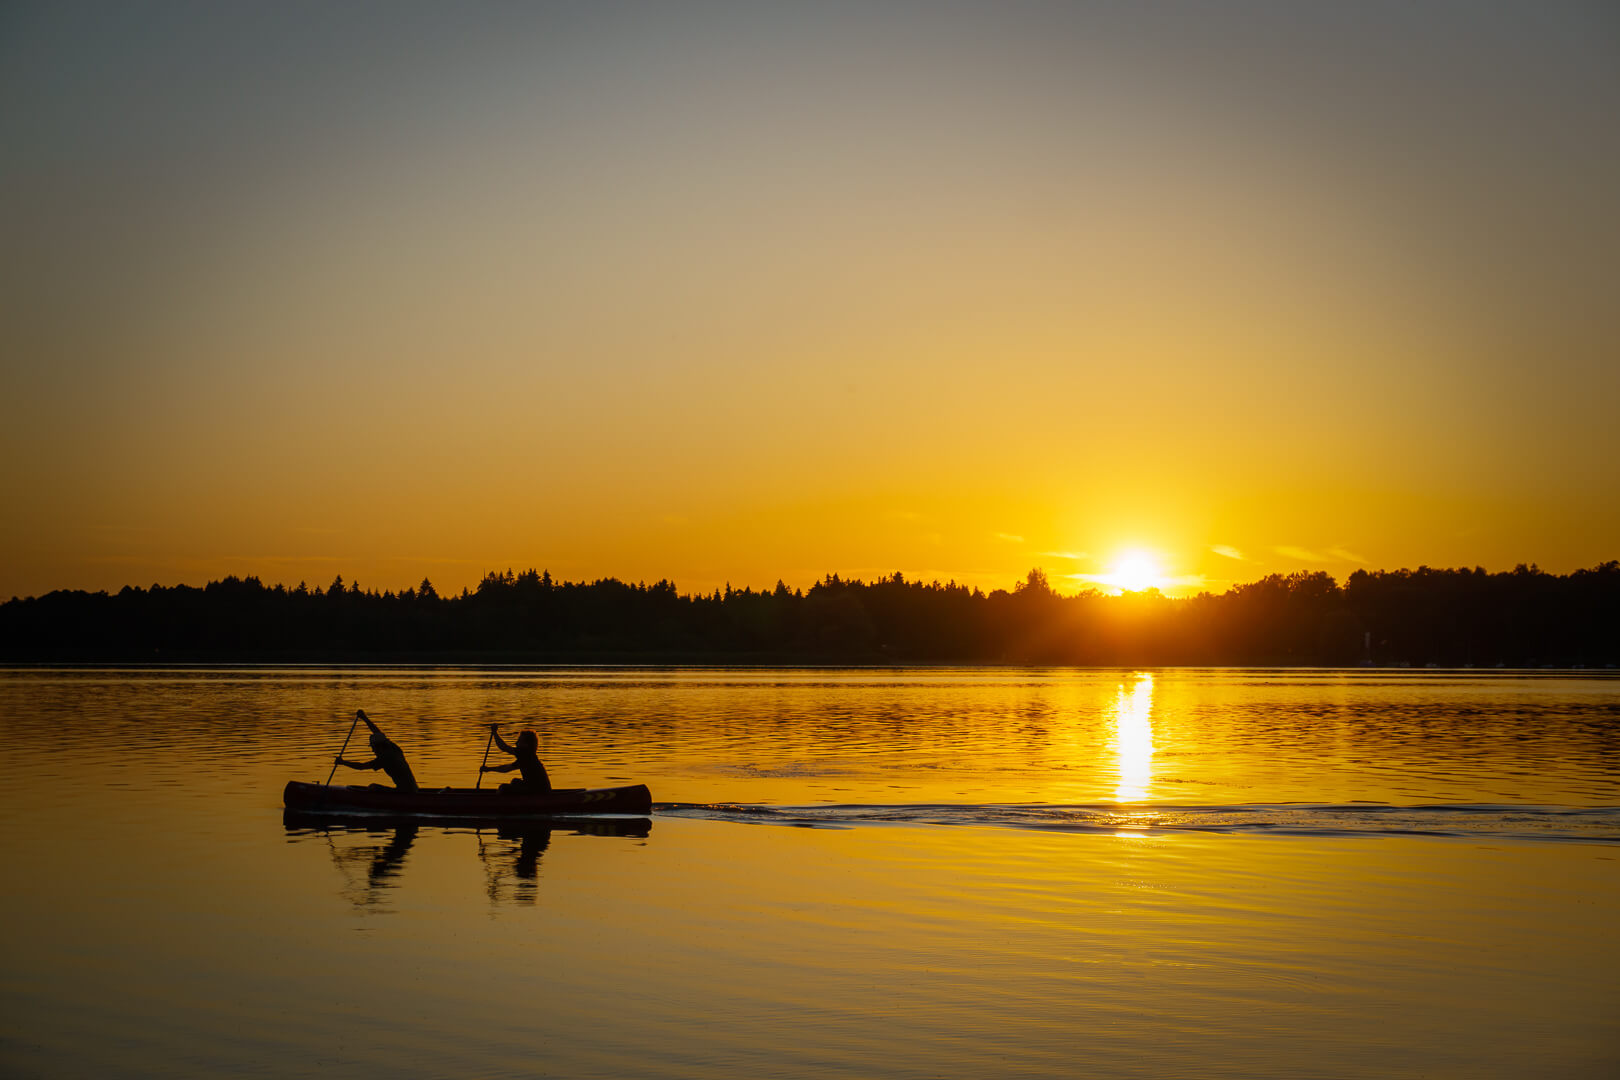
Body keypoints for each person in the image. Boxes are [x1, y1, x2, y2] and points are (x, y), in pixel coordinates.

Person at [335, 709, 419, 792]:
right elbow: (377, 731)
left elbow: (361, 767)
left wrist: (342, 762)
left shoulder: (384, 759)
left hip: (405, 793)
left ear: (378, 746)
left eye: (373, 748)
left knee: (373, 787)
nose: (373, 751)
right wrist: (364, 718)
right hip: (413, 790)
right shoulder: (394, 748)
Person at [482, 725, 552, 793]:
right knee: (515, 781)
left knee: (503, 788)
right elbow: (506, 768)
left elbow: (504, 747)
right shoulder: (526, 757)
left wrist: (495, 733)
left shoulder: (525, 753)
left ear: (526, 744)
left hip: (539, 791)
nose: (516, 743)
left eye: (519, 741)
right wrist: (489, 769)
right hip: (539, 789)